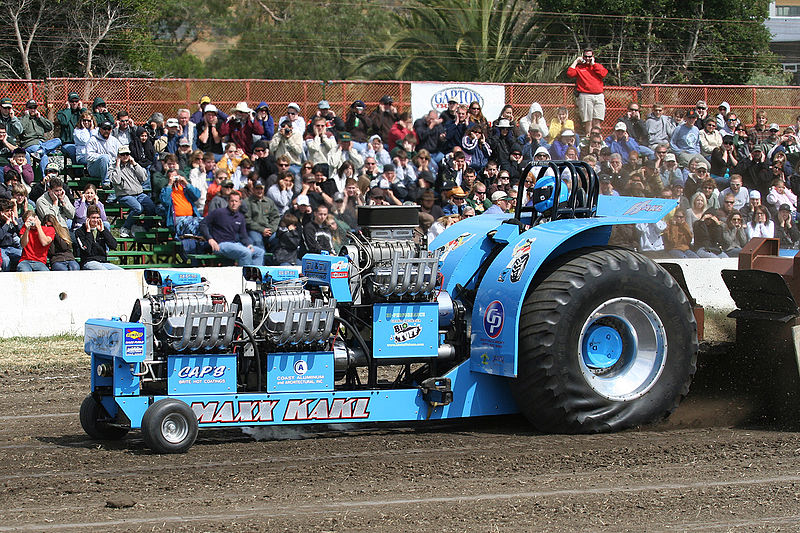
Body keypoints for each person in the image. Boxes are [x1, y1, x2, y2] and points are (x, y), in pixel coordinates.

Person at [200, 190, 264, 266]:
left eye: (236, 201)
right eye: (232, 201)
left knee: (259, 252)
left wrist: (248, 244)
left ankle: (255, 272)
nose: (234, 203)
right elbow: (203, 224)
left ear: (240, 203)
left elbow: (243, 236)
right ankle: (245, 273)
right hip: (220, 245)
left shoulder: (240, 217)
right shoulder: (219, 212)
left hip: (235, 244)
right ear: (228, 201)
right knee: (246, 253)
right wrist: (210, 239)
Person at [110, 145, 155, 238]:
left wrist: (135, 164)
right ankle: (125, 227)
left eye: (127, 154)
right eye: (122, 154)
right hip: (124, 195)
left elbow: (144, 178)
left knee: (151, 207)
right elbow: (116, 180)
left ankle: (144, 227)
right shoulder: (113, 167)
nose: (125, 156)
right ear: (118, 155)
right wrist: (117, 165)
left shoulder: (133, 165)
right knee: (138, 208)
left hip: (139, 194)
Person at [566, 48, 608, 135]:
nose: (587, 58)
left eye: (589, 56)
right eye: (585, 56)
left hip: (598, 95)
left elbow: (603, 74)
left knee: (598, 119)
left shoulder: (597, 66)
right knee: (588, 120)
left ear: (593, 56)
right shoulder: (579, 68)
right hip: (585, 95)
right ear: (583, 56)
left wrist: (594, 64)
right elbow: (570, 73)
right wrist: (576, 61)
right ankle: (588, 136)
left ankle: (597, 137)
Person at [74, 205, 122, 270]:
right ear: (88, 218)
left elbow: (113, 245)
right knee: (104, 271)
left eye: (98, 218)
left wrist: (103, 231)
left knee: (121, 271)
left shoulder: (102, 230)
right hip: (89, 262)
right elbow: (86, 250)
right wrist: (88, 232)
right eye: (93, 218)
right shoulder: (80, 232)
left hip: (103, 262)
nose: (96, 220)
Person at [18, 99, 61, 171]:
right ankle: (45, 176)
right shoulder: (22, 119)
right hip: (30, 143)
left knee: (58, 140)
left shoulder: (39, 119)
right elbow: (20, 128)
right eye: (30, 108)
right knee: (44, 156)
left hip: (42, 143)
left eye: (34, 108)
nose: (33, 110)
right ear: (27, 109)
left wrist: (41, 118)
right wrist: (26, 116)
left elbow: (50, 127)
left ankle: (40, 151)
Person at [244, 180, 280, 251]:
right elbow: (247, 220)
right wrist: (262, 230)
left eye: (261, 189)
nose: (259, 191)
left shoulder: (269, 202)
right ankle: (261, 257)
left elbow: (276, 217)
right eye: (257, 188)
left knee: (277, 239)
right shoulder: (247, 202)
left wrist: (271, 229)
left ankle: (272, 257)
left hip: (269, 229)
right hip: (254, 230)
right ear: (253, 189)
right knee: (257, 241)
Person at [85, 120, 121, 185]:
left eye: (108, 129)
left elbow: (121, 151)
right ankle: (106, 183)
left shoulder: (114, 140)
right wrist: (103, 157)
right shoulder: (93, 140)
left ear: (111, 130)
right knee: (105, 158)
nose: (106, 131)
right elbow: (88, 156)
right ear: (100, 129)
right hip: (95, 168)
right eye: (104, 128)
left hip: (111, 167)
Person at [0, 198, 22, 271]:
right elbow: (0, 236)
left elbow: (21, 234)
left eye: (10, 210)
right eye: (7, 211)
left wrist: (15, 223)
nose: (9, 213)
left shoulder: (12, 219)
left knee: (22, 255)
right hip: (1, 248)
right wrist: (7, 223)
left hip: (11, 247)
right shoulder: (6, 222)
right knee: (5, 261)